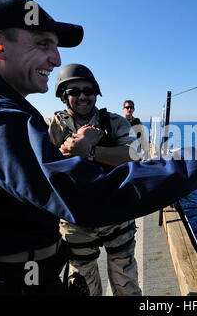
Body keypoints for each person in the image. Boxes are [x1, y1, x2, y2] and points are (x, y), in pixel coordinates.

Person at [0, 0, 197, 296]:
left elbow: (128, 156)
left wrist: (86, 151)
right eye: (42, 44)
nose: (56, 58)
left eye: (88, 91)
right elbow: (87, 196)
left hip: (39, 265)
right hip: (15, 280)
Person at [45, 64, 141, 296]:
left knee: (126, 284)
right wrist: (69, 149)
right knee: (82, 288)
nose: (83, 97)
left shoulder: (115, 123)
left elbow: (133, 156)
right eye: (74, 92)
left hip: (116, 215)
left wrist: (87, 151)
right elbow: (39, 165)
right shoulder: (51, 127)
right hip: (76, 220)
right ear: (63, 96)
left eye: (88, 91)